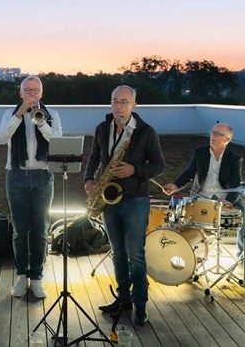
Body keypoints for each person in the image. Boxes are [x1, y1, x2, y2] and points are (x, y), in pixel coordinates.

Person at [84, 85, 165, 326]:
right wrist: (89, 179)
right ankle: (123, 298)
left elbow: (159, 165)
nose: (119, 106)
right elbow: (94, 156)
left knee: (135, 254)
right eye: (115, 101)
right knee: (118, 252)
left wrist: (134, 170)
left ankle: (140, 304)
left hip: (135, 199)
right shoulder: (102, 128)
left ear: (134, 105)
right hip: (109, 200)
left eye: (124, 102)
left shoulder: (146, 132)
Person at [0, 75, 62, 299]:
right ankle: (21, 275)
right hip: (16, 176)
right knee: (20, 230)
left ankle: (36, 277)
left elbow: (57, 141)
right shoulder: (10, 113)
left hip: (43, 176)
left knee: (40, 230)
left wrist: (41, 122)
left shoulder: (52, 114)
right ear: (21, 93)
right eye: (27, 90)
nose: (31, 94)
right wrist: (18, 115)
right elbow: (1, 139)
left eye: (35, 90)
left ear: (41, 93)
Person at [162, 123, 245, 259]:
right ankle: (188, 255)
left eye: (217, 134)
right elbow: (188, 173)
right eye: (212, 132)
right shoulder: (200, 152)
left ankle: (243, 258)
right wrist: (175, 185)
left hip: (223, 197)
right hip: (200, 196)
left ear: (227, 139)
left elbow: (236, 184)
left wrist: (229, 201)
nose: (213, 136)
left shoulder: (235, 158)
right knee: (180, 215)